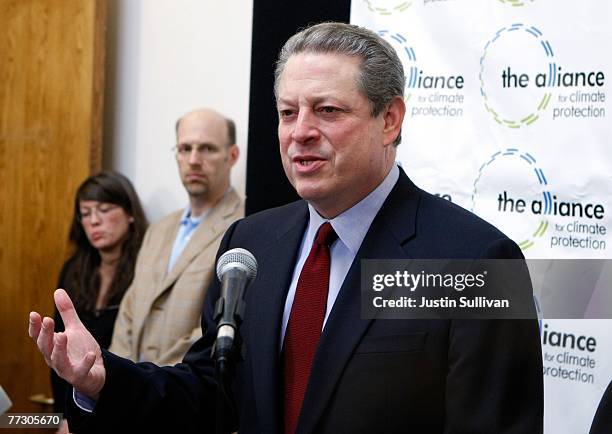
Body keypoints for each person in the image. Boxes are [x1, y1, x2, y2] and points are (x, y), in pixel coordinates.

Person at [29, 23, 543, 433]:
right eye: (287, 112)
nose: (300, 133)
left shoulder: (477, 259)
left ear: (390, 120)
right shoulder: (251, 244)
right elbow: (213, 392)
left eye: (327, 110)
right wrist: (105, 380)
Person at [107, 108, 243, 365]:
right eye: (185, 148)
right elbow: (129, 311)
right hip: (132, 393)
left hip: (188, 393)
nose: (193, 159)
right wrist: (122, 377)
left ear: (232, 155)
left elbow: (218, 325)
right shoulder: (158, 230)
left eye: (207, 149)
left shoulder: (245, 227)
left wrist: (155, 381)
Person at [51, 171, 148, 433]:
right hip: (74, 408)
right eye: (85, 213)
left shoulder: (146, 269)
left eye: (104, 210)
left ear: (130, 214)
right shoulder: (73, 270)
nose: (93, 221)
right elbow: (60, 346)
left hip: (123, 405)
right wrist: (64, 416)